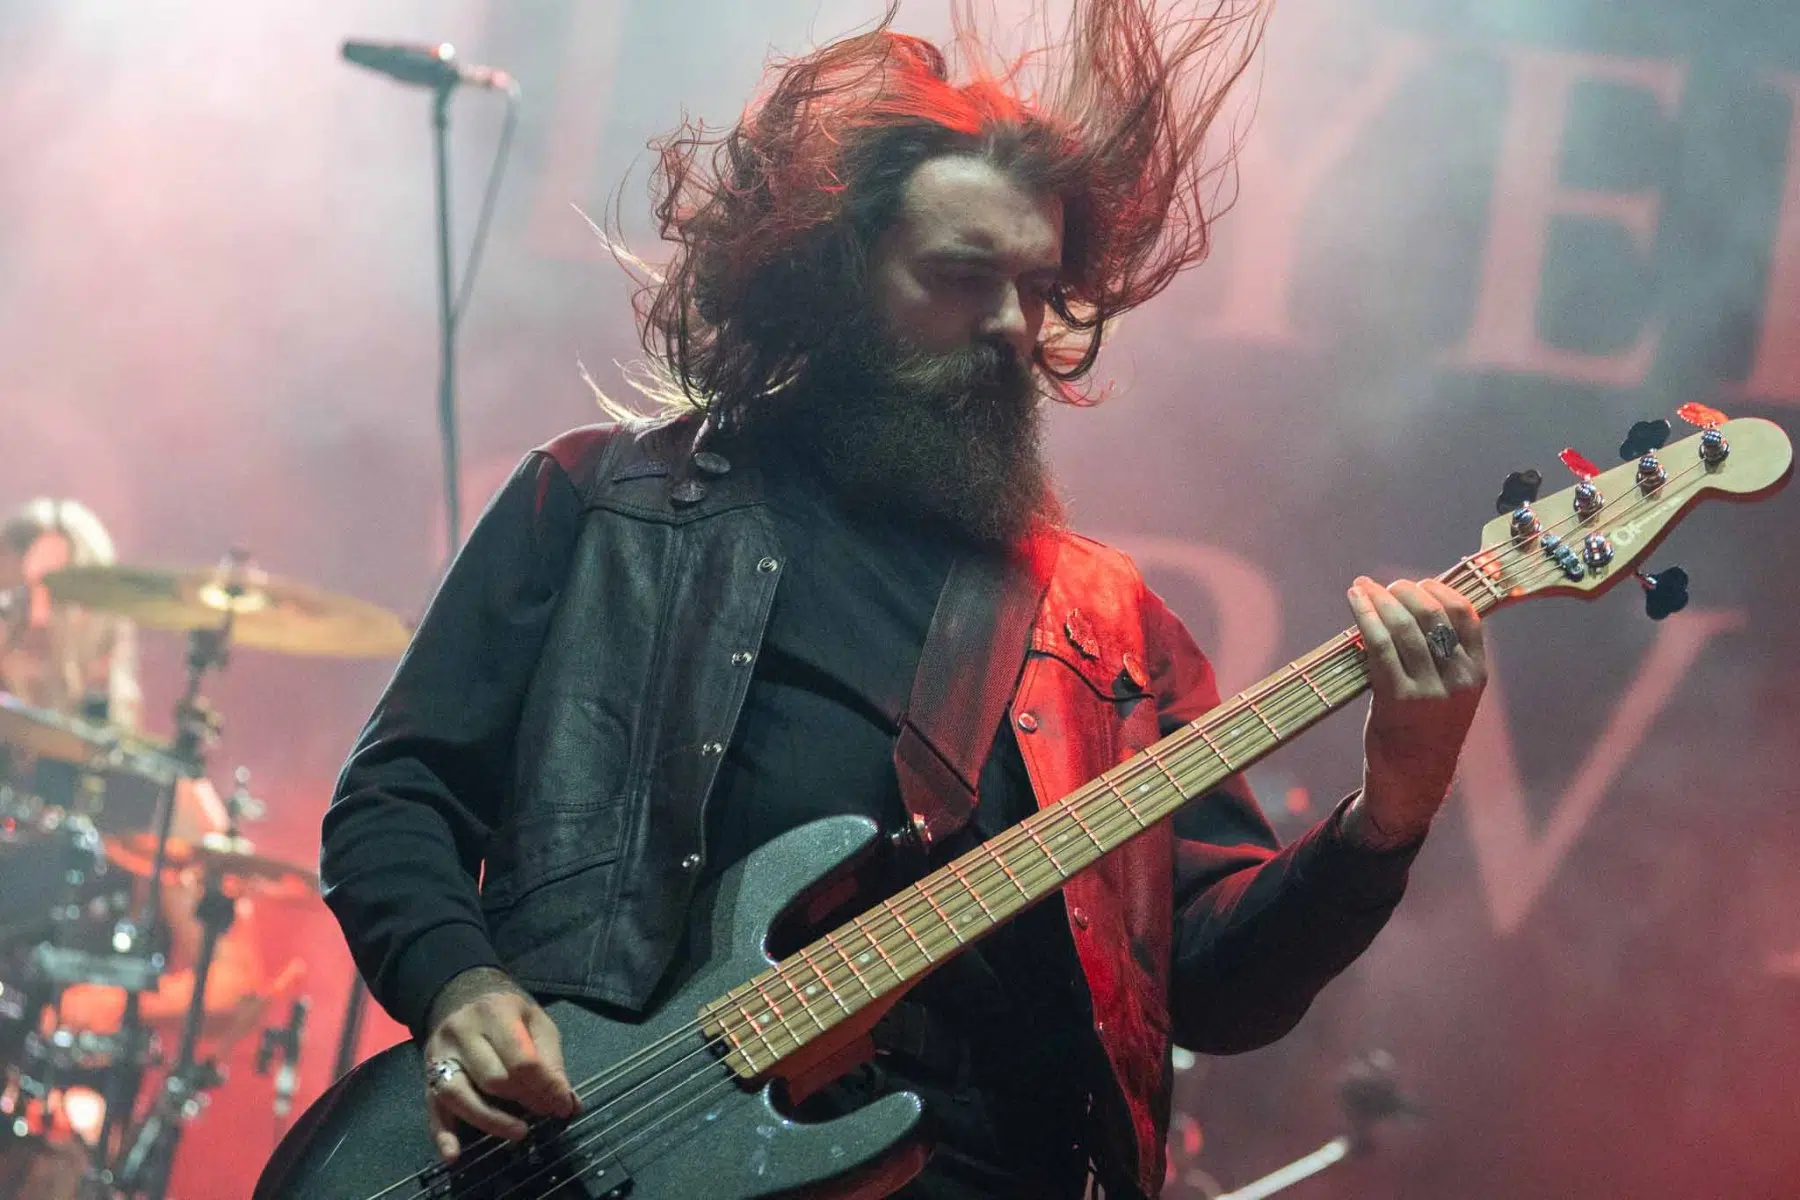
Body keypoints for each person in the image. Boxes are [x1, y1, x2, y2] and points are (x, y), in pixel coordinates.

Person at [318, 3, 1489, 1196]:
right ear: (835, 278)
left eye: (1037, 287)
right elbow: (398, 797)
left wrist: (1389, 812)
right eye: (961, 278)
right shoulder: (605, 506)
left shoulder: (1112, 631)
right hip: (603, 1156)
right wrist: (461, 985)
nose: (1011, 327)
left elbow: (1221, 989)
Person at [0, 499, 274, 1049]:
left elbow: (234, 979)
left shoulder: (154, 787)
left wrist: (105, 1003)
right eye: (17, 596)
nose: (36, 621)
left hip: (53, 1078)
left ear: (104, 630)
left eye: (60, 597)